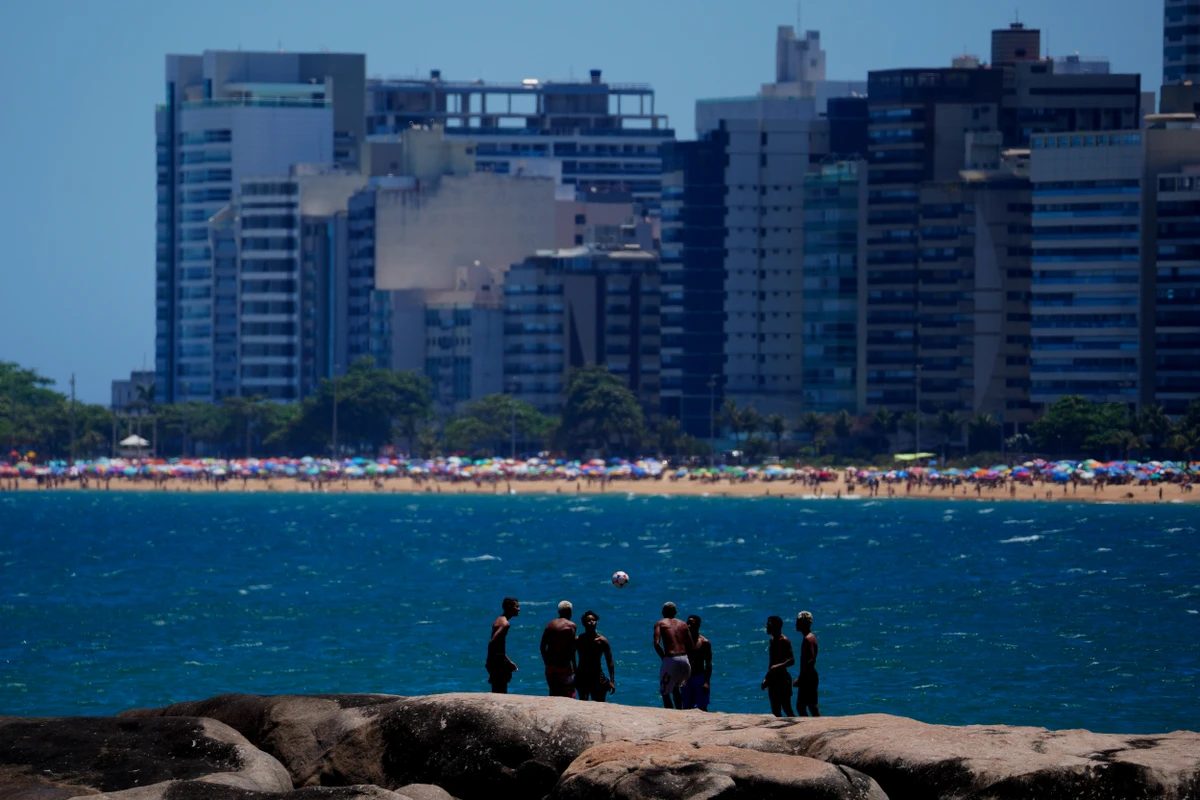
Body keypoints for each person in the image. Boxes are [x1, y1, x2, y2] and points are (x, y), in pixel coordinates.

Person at [653, 601, 693, 709]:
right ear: (675, 612)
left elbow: (656, 643)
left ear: (663, 612)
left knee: (665, 693)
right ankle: (679, 711)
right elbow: (691, 645)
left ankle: (669, 715)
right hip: (685, 659)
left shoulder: (660, 623)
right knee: (676, 688)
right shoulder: (683, 624)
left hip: (671, 659)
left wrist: (664, 658)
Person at [575, 610, 616, 702]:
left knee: (600, 703)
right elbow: (570, 655)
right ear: (584, 624)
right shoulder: (579, 640)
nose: (592, 622)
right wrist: (574, 669)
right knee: (583, 702)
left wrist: (612, 681)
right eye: (589, 620)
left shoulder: (601, 641)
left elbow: (609, 661)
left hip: (597, 675)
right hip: (582, 675)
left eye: (593, 620)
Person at [541, 600, 577, 698]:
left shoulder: (550, 625)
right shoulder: (571, 626)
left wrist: (546, 662)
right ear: (570, 612)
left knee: (553, 690)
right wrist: (574, 665)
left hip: (550, 665)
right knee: (568, 692)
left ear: (559, 612)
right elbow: (572, 648)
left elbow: (542, 646)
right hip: (563, 665)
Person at [761, 616, 795, 717]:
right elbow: (771, 662)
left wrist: (777, 667)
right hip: (773, 680)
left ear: (776, 626)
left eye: (769, 624)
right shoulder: (772, 640)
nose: (767, 626)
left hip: (783, 679)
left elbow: (791, 660)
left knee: (786, 708)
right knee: (775, 709)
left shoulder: (784, 641)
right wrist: (766, 678)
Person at [486, 597, 519, 693]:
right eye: (516, 606)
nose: (518, 609)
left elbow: (498, 646)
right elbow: (493, 642)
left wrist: (508, 661)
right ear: (510, 607)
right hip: (498, 663)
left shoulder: (499, 619)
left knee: (496, 689)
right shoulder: (505, 624)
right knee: (501, 691)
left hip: (495, 660)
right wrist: (500, 661)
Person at [680, 614, 712, 711]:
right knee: (686, 707)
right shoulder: (683, 640)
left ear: (698, 625)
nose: (689, 626)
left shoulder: (704, 642)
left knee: (702, 707)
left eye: (692, 624)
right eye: (687, 623)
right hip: (686, 678)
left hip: (699, 677)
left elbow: (708, 663)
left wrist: (706, 682)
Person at [792, 610, 820, 716]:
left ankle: (816, 726)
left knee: (809, 705)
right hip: (808, 676)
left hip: (809, 677)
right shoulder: (808, 637)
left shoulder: (808, 639)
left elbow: (811, 660)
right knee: (803, 705)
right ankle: (813, 725)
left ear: (804, 624)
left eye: (798, 622)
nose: (796, 624)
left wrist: (801, 678)